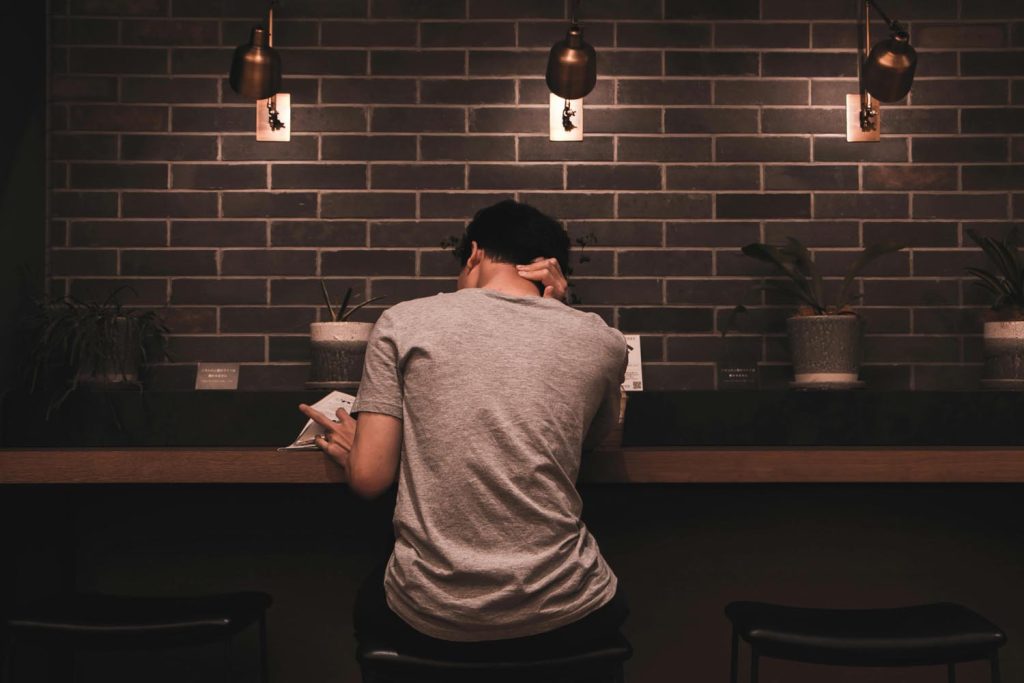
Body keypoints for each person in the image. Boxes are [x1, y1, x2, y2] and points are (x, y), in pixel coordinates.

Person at [299, 199, 629, 659]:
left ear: (473, 253)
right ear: (550, 270)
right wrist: (560, 309)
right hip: (567, 608)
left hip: (432, 612)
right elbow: (591, 442)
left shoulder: (404, 321)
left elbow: (370, 480)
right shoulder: (603, 339)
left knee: (368, 605)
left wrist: (364, 448)